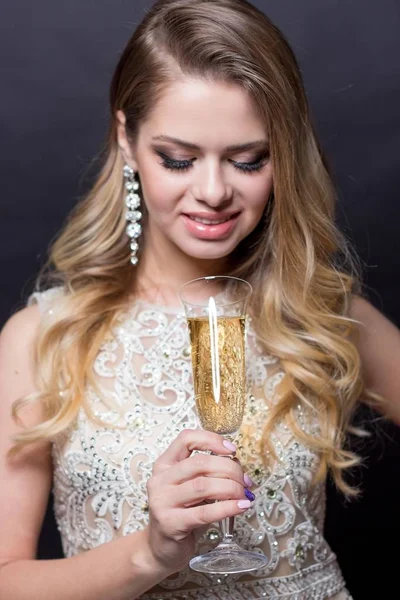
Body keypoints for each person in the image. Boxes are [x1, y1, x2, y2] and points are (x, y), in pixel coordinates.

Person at [0, 0, 399, 598]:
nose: (213, 191)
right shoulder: (43, 337)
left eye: (248, 160)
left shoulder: (320, 317)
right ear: (127, 141)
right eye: (179, 159)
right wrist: (149, 553)